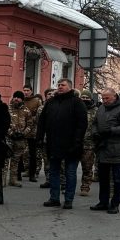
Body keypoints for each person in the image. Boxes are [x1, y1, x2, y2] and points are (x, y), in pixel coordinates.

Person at [36, 78, 87, 209]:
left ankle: (68, 200)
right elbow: (42, 121)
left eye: (63, 85)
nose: (59, 87)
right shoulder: (51, 102)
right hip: (54, 143)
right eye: (58, 85)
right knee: (54, 172)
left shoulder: (77, 102)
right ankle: (54, 198)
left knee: (70, 173)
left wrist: (77, 141)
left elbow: (82, 124)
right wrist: (40, 137)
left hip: (72, 145)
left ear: (69, 87)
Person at [90, 88, 120, 214]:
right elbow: (94, 123)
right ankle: (103, 202)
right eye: (103, 98)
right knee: (103, 178)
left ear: (114, 97)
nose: (104, 100)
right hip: (103, 148)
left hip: (118, 149)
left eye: (107, 98)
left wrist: (112, 130)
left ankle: (115, 204)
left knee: (117, 179)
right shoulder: (101, 108)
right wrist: (95, 132)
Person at [7, 90, 30, 187]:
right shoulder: (8, 109)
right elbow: (4, 123)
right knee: (5, 160)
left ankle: (13, 180)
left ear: (22, 99)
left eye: (18, 97)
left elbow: (30, 124)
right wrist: (11, 133)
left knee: (15, 160)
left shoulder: (26, 111)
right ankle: (2, 180)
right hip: (9, 138)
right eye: (15, 97)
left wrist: (23, 134)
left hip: (20, 139)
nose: (16, 99)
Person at [22, 84, 43, 182]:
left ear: (31, 91)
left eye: (27, 90)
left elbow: (40, 115)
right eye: (24, 90)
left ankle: (32, 174)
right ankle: (22, 171)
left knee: (32, 153)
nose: (26, 92)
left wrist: (30, 118)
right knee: (22, 153)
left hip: (33, 131)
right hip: (22, 130)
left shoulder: (37, 101)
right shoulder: (21, 100)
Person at [79, 89, 97, 197]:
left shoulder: (96, 111)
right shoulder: (76, 109)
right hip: (75, 143)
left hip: (89, 144)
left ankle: (85, 187)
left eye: (87, 98)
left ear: (91, 99)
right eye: (83, 97)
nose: (85, 99)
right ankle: (66, 186)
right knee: (69, 167)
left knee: (87, 167)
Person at [38, 87, 55, 188]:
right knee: (46, 161)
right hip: (45, 139)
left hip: (55, 139)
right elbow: (39, 123)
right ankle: (48, 179)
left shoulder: (57, 106)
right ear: (45, 96)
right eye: (49, 94)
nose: (51, 96)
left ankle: (61, 181)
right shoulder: (41, 108)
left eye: (53, 94)